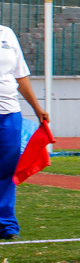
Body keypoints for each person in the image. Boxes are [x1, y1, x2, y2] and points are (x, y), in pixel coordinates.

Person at [0, 23, 49, 239]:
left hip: (10, 113)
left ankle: (6, 225)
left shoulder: (7, 34)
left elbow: (21, 77)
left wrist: (37, 108)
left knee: (7, 170)